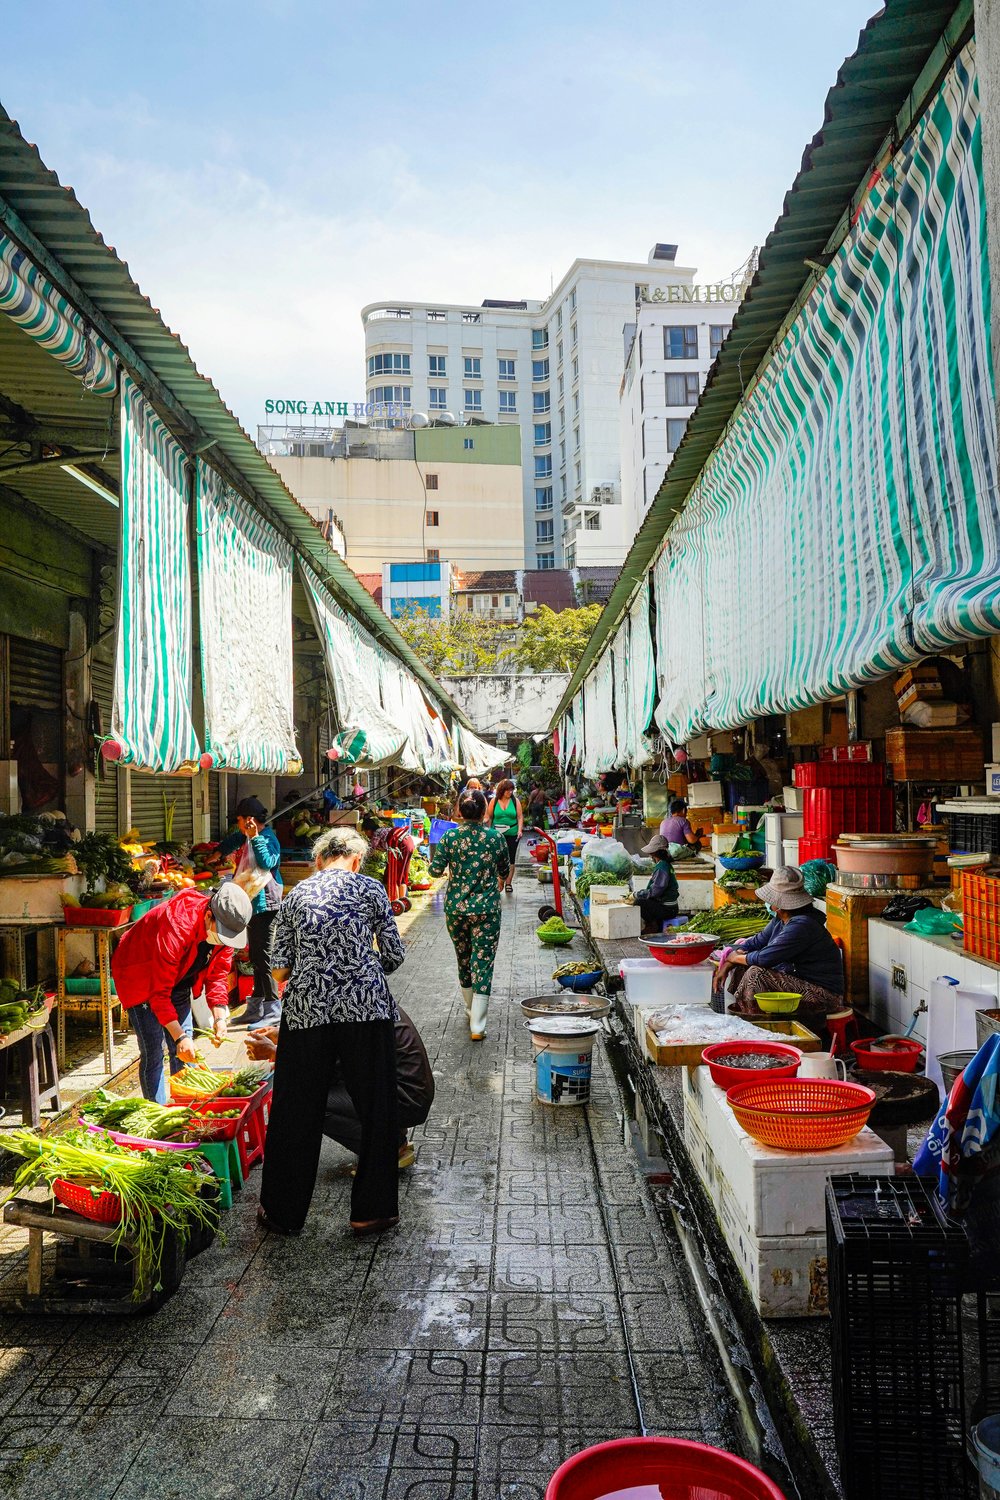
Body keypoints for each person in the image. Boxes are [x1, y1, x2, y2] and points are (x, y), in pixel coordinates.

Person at [258, 826, 406, 1238]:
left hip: (307, 1014)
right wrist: (358, 965)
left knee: (295, 1110)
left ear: (319, 859)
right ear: (356, 859)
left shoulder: (297, 895)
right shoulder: (372, 889)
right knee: (376, 1107)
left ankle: (283, 1214)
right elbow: (393, 956)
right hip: (366, 1010)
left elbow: (279, 968)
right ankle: (371, 1213)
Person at [246, 1006, 434, 1170]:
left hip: (405, 1099)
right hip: (404, 1092)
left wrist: (277, 1053)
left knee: (306, 1100)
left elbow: (324, 1066)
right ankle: (391, 1133)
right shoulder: (359, 995)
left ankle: (388, 1146)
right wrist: (285, 1035)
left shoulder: (350, 1008)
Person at [111, 884, 252, 1103]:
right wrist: (180, 1036)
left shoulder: (225, 931)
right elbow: (159, 992)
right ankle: (156, 1115)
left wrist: (220, 1017)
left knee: (187, 1051)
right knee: (154, 1051)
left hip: (180, 978)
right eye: (222, 935)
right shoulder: (177, 925)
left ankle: (187, 1111)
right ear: (208, 916)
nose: (225, 941)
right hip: (140, 974)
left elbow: (217, 975)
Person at [430, 789, 510, 1040]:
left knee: (463, 958)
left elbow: (433, 871)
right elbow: (505, 869)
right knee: (482, 962)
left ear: (459, 812)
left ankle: (469, 1008)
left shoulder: (449, 837)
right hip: (486, 910)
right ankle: (478, 1025)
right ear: (485, 811)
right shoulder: (495, 838)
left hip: (456, 909)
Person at [715, 866, 845, 1018]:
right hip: (798, 982)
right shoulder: (780, 920)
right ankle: (750, 1018)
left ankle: (751, 1023)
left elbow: (764, 958)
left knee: (757, 974)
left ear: (776, 905)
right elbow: (755, 943)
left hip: (824, 996)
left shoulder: (802, 925)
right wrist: (729, 963)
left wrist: (734, 957)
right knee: (743, 968)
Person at [216, 797, 283, 1029]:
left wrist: (255, 838)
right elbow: (234, 840)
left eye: (240, 820)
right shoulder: (245, 835)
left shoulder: (268, 838)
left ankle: (274, 1009)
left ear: (250, 821)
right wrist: (217, 853)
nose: (239, 825)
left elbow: (266, 863)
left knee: (264, 958)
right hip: (251, 904)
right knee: (255, 956)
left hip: (266, 906)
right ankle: (255, 1009)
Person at [634, 834, 680, 934]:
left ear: (654, 853)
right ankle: (654, 924)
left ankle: (652, 925)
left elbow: (655, 891)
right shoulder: (665, 864)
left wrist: (638, 894)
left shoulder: (662, 867)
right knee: (643, 899)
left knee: (639, 902)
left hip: (668, 909)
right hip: (671, 907)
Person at [486, 778, 523, 895]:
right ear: (502, 790)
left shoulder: (515, 800)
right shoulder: (494, 801)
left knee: (511, 859)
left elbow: (520, 817)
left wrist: (520, 830)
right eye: (507, 790)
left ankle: (508, 883)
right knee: (497, 858)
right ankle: (498, 882)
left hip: (512, 832)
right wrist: (487, 830)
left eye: (511, 790)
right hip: (496, 834)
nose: (510, 792)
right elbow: (489, 817)